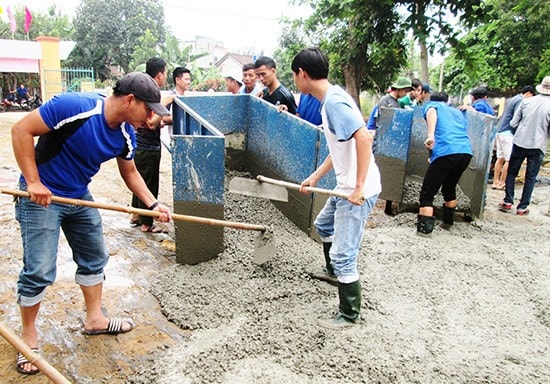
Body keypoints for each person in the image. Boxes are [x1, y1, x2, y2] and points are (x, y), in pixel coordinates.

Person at [10, 71, 172, 375]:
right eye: (148, 109)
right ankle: (28, 338)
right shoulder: (74, 106)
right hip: (41, 197)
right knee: (40, 270)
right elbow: (21, 130)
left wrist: (153, 204)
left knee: (94, 257)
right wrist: (33, 181)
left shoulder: (126, 133)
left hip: (79, 197)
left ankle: (95, 319)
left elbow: (131, 173)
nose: (151, 118)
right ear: (129, 100)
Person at [292, 47, 381, 329]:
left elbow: (364, 138)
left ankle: (349, 314)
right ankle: (333, 271)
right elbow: (338, 146)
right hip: (345, 187)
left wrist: (358, 187)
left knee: (345, 254)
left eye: (295, 75)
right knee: (323, 226)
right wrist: (315, 177)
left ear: (302, 74)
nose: (295, 80)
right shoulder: (330, 99)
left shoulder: (333, 102)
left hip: (356, 193)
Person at [417, 91, 473, 236]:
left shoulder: (432, 106)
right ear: (447, 101)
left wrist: (430, 135)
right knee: (449, 187)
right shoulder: (457, 112)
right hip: (465, 153)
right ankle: (448, 223)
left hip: (446, 151)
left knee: (427, 194)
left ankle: (424, 232)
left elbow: (431, 112)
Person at [130, 57, 175, 233]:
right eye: (165, 73)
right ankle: (147, 224)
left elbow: (154, 121)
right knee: (149, 184)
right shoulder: (153, 93)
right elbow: (150, 123)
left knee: (139, 181)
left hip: (139, 145)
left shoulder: (144, 88)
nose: (165, 77)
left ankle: (135, 215)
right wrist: (165, 103)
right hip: (148, 147)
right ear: (159, 74)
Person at [499, 76, 550, 215]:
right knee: (531, 177)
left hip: (520, 142)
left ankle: (508, 201)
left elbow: (513, 123)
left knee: (512, 172)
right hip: (538, 146)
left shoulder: (526, 101)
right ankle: (522, 207)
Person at [376, 77, 413, 215]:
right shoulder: (385, 101)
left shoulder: (397, 103)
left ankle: (388, 205)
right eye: (406, 90)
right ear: (400, 89)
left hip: (394, 142)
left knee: (392, 173)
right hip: (385, 141)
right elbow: (382, 121)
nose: (406, 93)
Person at [492, 85, 535, 190]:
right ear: (529, 93)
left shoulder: (512, 99)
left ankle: (495, 182)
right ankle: (502, 182)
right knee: (508, 160)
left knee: (500, 158)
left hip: (500, 131)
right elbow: (517, 119)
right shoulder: (521, 101)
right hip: (508, 132)